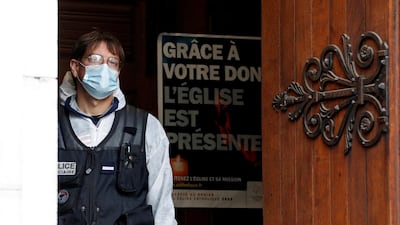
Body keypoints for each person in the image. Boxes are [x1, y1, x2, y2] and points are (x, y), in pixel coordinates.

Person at [58, 30, 177, 225]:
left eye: (112, 62)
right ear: (75, 66)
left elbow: (162, 209)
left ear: (119, 72)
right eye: (95, 59)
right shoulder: (50, 126)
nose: (104, 68)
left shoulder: (146, 127)